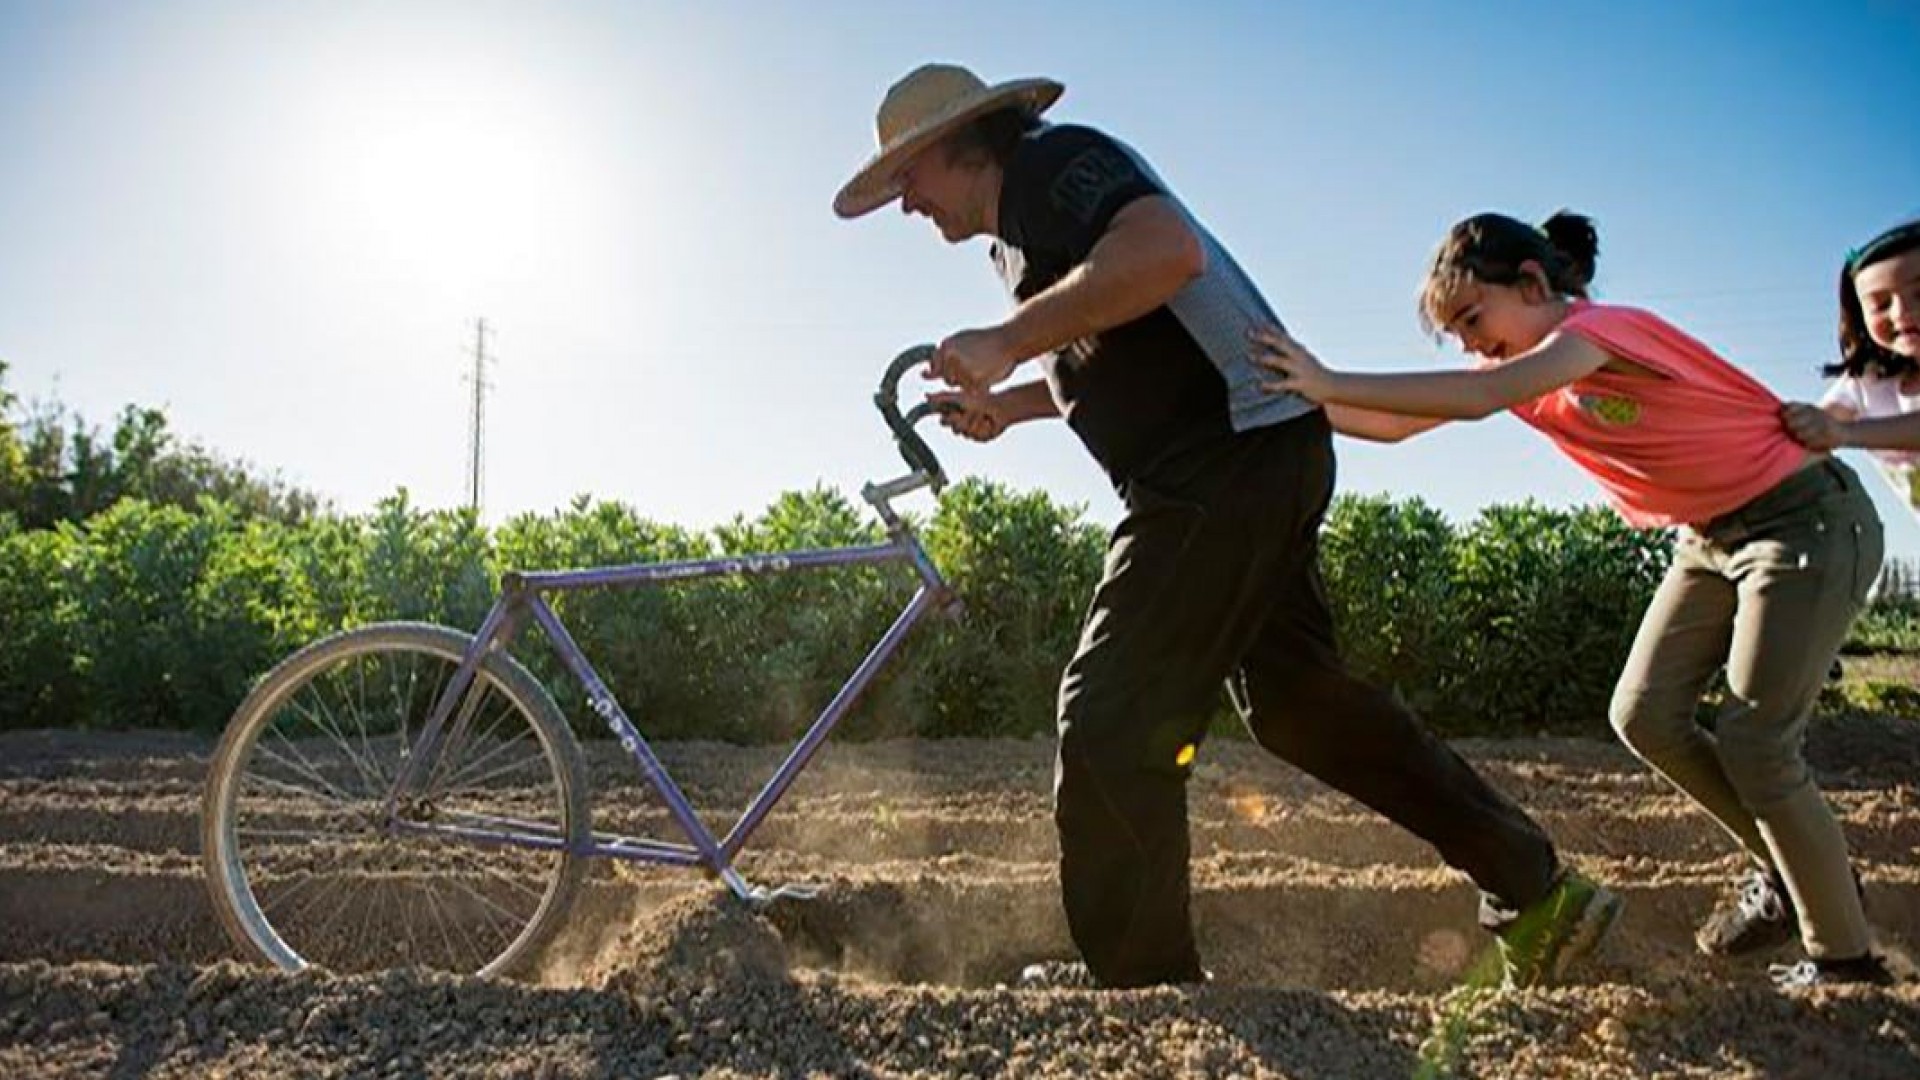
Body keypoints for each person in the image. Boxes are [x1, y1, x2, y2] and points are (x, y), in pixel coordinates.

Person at [832, 63, 1619, 990]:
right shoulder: (1015, 243)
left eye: (907, 179)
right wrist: (1009, 400)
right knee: (1298, 705)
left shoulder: (1053, 165)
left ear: (960, 147)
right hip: (1247, 462)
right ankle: (1538, 890)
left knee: (1113, 712)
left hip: (1220, 461)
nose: (905, 204)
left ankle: (1143, 984)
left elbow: (1166, 252)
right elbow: (1101, 337)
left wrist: (1006, 339)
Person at [1253, 210, 1893, 987]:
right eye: (1452, 333)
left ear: (1531, 284)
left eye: (1470, 318)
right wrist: (1297, 395)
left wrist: (1326, 378)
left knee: (1759, 743)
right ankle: (1791, 875)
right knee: (1643, 715)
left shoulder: (1603, 331)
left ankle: (1846, 961)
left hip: (1803, 517)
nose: (1467, 343)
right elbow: (1396, 423)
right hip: (1709, 536)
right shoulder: (1520, 368)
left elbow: (1472, 398)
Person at [1783, 218, 1920, 467]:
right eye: (1880, 305)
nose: (1900, 313)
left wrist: (1845, 433)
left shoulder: (1847, 429)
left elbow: (1835, 429)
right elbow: (1813, 427)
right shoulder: (1867, 382)